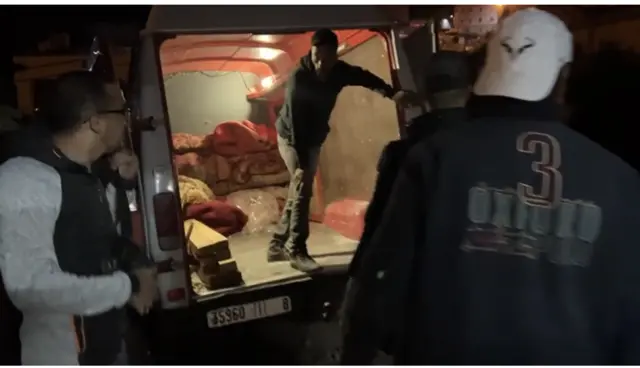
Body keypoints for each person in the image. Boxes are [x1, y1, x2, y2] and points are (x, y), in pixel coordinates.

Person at [342, 8, 640, 365]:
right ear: (563, 78)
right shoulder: (620, 181)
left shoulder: (435, 159)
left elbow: (379, 286)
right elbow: (629, 312)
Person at [0, 71, 157, 365]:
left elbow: (99, 239)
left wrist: (138, 264)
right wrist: (128, 287)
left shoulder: (86, 172)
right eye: (122, 111)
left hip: (106, 344)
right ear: (96, 122)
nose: (128, 119)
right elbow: (29, 286)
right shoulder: (25, 180)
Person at [268, 28, 416, 272]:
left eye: (325, 59)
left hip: (313, 136)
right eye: (316, 57)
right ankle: (296, 249)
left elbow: (365, 77)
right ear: (311, 52)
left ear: (335, 56)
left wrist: (392, 94)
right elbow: (295, 122)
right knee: (303, 187)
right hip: (292, 138)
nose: (320, 64)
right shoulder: (300, 76)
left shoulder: (340, 72)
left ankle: (276, 246)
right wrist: (304, 164)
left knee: (299, 189)